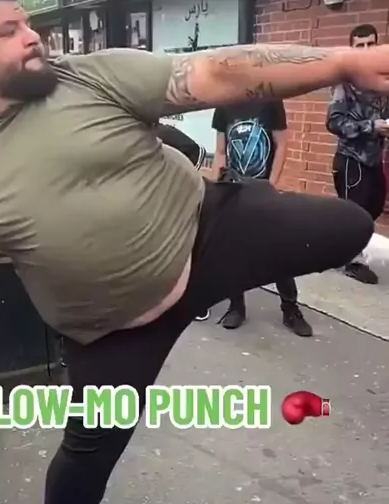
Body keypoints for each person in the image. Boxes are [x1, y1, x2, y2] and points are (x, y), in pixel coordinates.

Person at [0, 0, 383, 504]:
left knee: (347, 227)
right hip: (111, 332)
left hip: (206, 238)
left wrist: (341, 63)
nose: (32, 37)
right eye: (10, 30)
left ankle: (242, 242)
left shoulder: (88, 77)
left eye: (28, 23)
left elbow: (214, 73)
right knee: (88, 455)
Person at [211, 99, 312, 336]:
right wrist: (216, 188)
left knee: (277, 252)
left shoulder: (270, 102)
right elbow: (221, 151)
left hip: (263, 189)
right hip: (234, 190)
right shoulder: (224, 104)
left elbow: (281, 145)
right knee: (233, 253)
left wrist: (271, 186)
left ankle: (290, 309)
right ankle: (236, 307)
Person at [327, 23, 389, 284]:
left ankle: (332, 245)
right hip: (351, 159)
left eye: (370, 44)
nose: (365, 49)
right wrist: (372, 127)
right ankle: (351, 261)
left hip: (374, 159)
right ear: (352, 49)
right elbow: (334, 123)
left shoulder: (380, 82)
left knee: (374, 206)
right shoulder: (346, 84)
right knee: (355, 213)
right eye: (359, 46)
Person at [156, 121, 211, 321]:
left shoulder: (165, 134)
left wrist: (182, 181)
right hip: (157, 197)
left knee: (185, 249)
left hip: (177, 197)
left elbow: (199, 153)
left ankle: (196, 302)